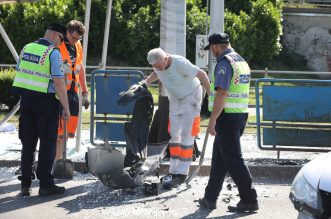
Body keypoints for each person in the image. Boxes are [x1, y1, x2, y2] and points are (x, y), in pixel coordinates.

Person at [198, 33, 258, 212]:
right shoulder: (240, 61)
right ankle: (210, 198)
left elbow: (222, 93)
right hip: (239, 115)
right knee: (219, 158)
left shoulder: (224, 63)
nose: (212, 53)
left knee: (233, 159)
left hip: (227, 117)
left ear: (216, 46)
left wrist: (212, 120)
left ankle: (249, 199)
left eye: (211, 49)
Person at [12, 23, 70, 196]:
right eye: (60, 39)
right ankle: (45, 184)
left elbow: (21, 71)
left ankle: (25, 184)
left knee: (28, 143)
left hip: (26, 102)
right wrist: (66, 108)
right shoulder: (53, 53)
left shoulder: (26, 48)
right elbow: (59, 82)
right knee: (47, 142)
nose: (60, 44)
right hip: (46, 104)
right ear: (54, 35)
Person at [146, 48, 210, 189]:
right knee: (174, 136)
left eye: (159, 65)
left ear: (166, 58)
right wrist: (146, 82)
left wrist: (210, 97)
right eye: (154, 66)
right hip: (175, 97)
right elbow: (155, 73)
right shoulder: (159, 66)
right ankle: (173, 171)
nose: (157, 69)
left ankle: (181, 174)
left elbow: (202, 74)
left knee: (187, 136)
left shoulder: (179, 63)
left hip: (192, 96)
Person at [54, 20, 89, 163]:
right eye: (73, 37)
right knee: (58, 133)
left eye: (78, 38)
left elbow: (80, 69)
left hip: (73, 93)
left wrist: (85, 92)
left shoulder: (78, 46)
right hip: (59, 93)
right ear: (67, 32)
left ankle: (61, 161)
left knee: (67, 132)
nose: (75, 41)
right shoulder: (57, 45)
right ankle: (55, 163)